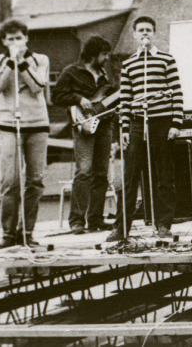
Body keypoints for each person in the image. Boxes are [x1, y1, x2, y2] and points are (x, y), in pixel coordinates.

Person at [106, 16, 184, 241]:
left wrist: (176, 123)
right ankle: (121, 228)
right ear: (134, 35)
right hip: (139, 124)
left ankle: (164, 225)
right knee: (130, 177)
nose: (145, 34)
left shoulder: (166, 60)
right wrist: (125, 128)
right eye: (141, 31)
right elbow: (126, 99)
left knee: (164, 176)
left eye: (149, 30)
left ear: (154, 34)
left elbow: (177, 93)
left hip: (162, 123)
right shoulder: (129, 64)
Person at [0, 20, 50, 248]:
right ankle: (8, 233)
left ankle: (27, 231)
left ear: (26, 38)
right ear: (4, 41)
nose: (15, 42)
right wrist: (11, 64)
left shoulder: (40, 59)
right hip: (8, 124)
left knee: (35, 180)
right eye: (10, 39)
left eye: (19, 38)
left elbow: (38, 86)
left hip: (37, 124)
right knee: (10, 180)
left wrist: (22, 62)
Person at [52, 36, 116, 235]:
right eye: (104, 54)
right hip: (84, 126)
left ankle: (96, 219)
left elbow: (108, 98)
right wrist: (79, 99)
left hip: (104, 125)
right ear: (93, 54)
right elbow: (56, 96)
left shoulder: (104, 74)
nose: (106, 58)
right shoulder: (72, 72)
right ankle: (77, 221)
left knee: (101, 173)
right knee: (84, 171)